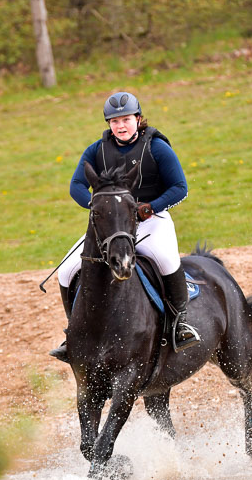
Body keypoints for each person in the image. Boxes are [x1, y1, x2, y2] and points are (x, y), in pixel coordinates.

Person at [50, 91, 200, 363]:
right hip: (110, 226)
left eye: (126, 119)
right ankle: (76, 332)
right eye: (115, 121)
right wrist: (96, 206)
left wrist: (150, 207)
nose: (121, 126)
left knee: (166, 260)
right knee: (67, 269)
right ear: (109, 124)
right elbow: (76, 185)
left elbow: (180, 187)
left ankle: (180, 324)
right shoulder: (97, 150)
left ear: (138, 119)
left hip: (151, 221)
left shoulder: (156, 147)